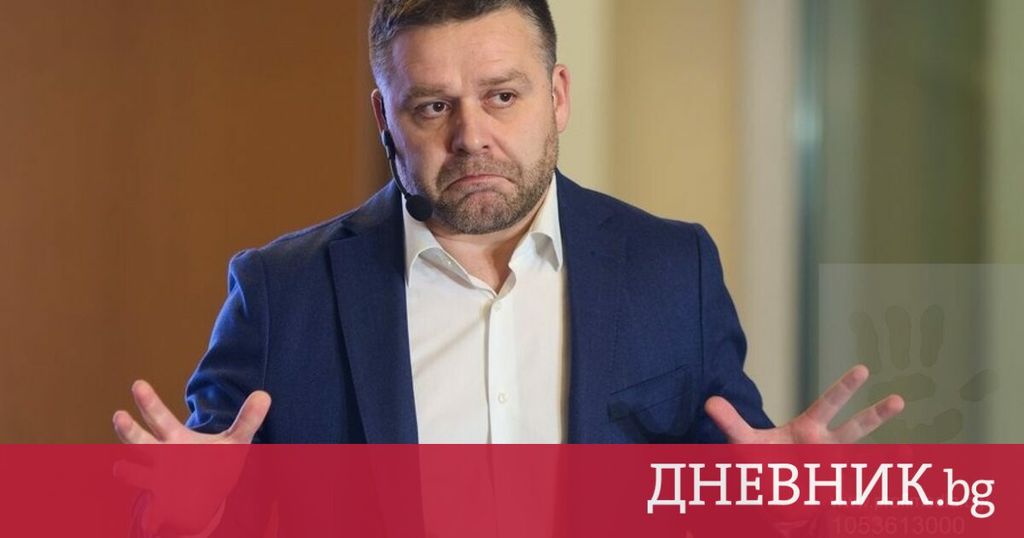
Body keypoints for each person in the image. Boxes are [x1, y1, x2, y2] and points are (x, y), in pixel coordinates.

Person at [113, 0, 904, 446]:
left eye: (502, 96)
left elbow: (727, 488)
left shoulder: (674, 269)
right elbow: (198, 489)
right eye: (433, 107)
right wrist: (187, 516)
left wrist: (781, 508)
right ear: (385, 121)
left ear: (556, 97)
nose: (472, 136)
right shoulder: (281, 290)